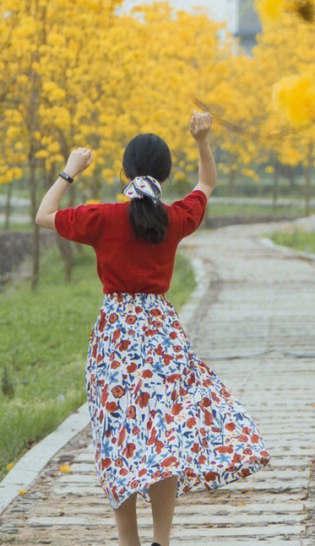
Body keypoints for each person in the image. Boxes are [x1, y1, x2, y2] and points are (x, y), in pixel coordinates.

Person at [35, 108, 270, 546]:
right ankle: (162, 541)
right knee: (165, 438)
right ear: (165, 172)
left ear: (125, 170)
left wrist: (69, 171)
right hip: (161, 335)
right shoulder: (173, 218)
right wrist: (202, 141)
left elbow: (43, 215)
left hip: (116, 338)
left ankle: (130, 542)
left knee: (117, 436)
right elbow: (207, 184)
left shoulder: (101, 217)